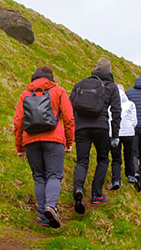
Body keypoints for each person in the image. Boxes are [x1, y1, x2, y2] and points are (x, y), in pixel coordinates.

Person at [13, 65, 74, 228]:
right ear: (51, 78)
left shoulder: (25, 94)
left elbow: (18, 122)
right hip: (54, 139)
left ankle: (42, 216)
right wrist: (69, 143)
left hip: (30, 140)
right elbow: (69, 119)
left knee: (39, 176)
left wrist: (19, 147)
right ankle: (50, 206)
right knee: (54, 175)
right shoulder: (58, 91)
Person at [69, 57, 121, 213]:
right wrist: (115, 135)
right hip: (101, 128)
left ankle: (78, 189)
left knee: (82, 161)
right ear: (110, 70)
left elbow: (70, 106)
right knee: (103, 159)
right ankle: (96, 194)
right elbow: (116, 112)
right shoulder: (112, 87)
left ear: (96, 68)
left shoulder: (81, 84)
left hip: (82, 128)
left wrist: (74, 127)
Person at [108, 82, 137, 189]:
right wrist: (130, 128)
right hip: (129, 132)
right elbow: (135, 120)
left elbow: (108, 118)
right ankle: (130, 175)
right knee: (129, 154)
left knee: (116, 157)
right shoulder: (130, 104)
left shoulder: (110, 103)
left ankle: (116, 180)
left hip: (114, 132)